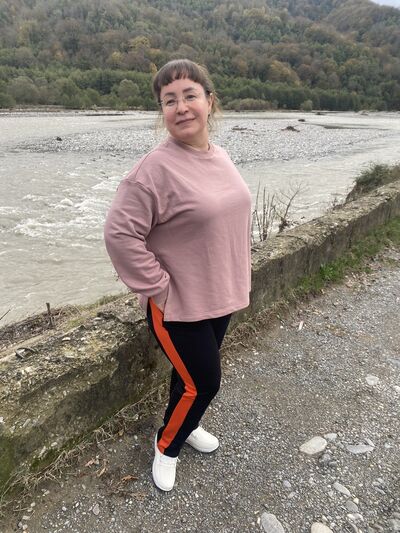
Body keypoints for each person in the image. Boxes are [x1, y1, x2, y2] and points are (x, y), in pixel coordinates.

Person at [104, 59, 252, 492]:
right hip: (178, 304)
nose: (181, 107)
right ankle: (167, 445)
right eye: (170, 101)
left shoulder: (219, 156)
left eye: (190, 96)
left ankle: (185, 425)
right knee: (204, 382)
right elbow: (119, 234)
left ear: (210, 102)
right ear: (162, 111)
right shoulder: (153, 170)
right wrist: (158, 288)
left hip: (219, 293)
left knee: (188, 377)